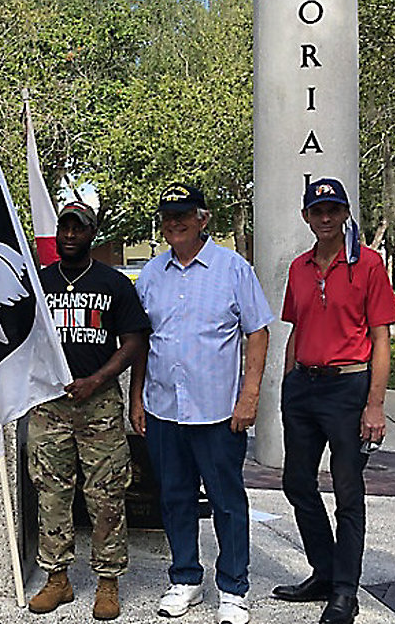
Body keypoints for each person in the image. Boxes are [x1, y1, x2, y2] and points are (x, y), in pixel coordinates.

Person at [129, 183, 271, 624]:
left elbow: (258, 332)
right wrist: (136, 397)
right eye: (168, 215)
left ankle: (233, 587)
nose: (175, 222)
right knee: (174, 498)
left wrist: (249, 396)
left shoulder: (233, 269)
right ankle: (186, 578)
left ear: (203, 218)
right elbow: (141, 342)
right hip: (163, 409)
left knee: (228, 501)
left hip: (218, 412)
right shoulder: (151, 274)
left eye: (184, 214)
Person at [272, 177, 395, 624]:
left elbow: (382, 337)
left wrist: (376, 404)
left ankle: (345, 591)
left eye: (333, 209)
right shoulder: (299, 267)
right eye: (317, 210)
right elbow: (296, 327)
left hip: (349, 388)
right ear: (307, 216)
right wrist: (288, 381)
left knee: (348, 491)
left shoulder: (367, 264)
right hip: (304, 387)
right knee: (297, 482)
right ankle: (324, 571)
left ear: (345, 213)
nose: (325, 218)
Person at [26, 202, 149, 621]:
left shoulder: (113, 283)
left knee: (106, 493)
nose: (71, 235)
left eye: (79, 228)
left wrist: (97, 380)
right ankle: (57, 579)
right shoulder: (40, 283)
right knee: (51, 490)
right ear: (57, 232)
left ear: (92, 234)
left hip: (98, 404)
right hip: (50, 404)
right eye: (65, 227)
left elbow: (134, 341)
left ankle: (107, 581)